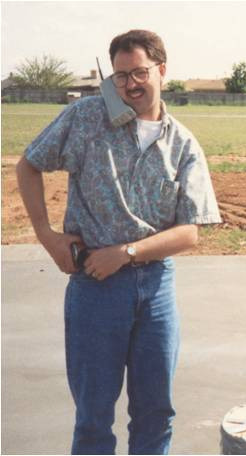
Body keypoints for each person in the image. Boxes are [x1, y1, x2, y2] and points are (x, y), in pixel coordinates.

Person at [16, 29, 222, 454]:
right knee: (93, 417)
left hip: (155, 290)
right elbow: (29, 165)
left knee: (155, 412)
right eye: (121, 75)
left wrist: (127, 253)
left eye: (140, 72)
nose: (130, 83)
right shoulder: (87, 118)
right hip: (94, 288)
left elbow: (191, 231)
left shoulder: (182, 144)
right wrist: (47, 236)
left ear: (161, 70)